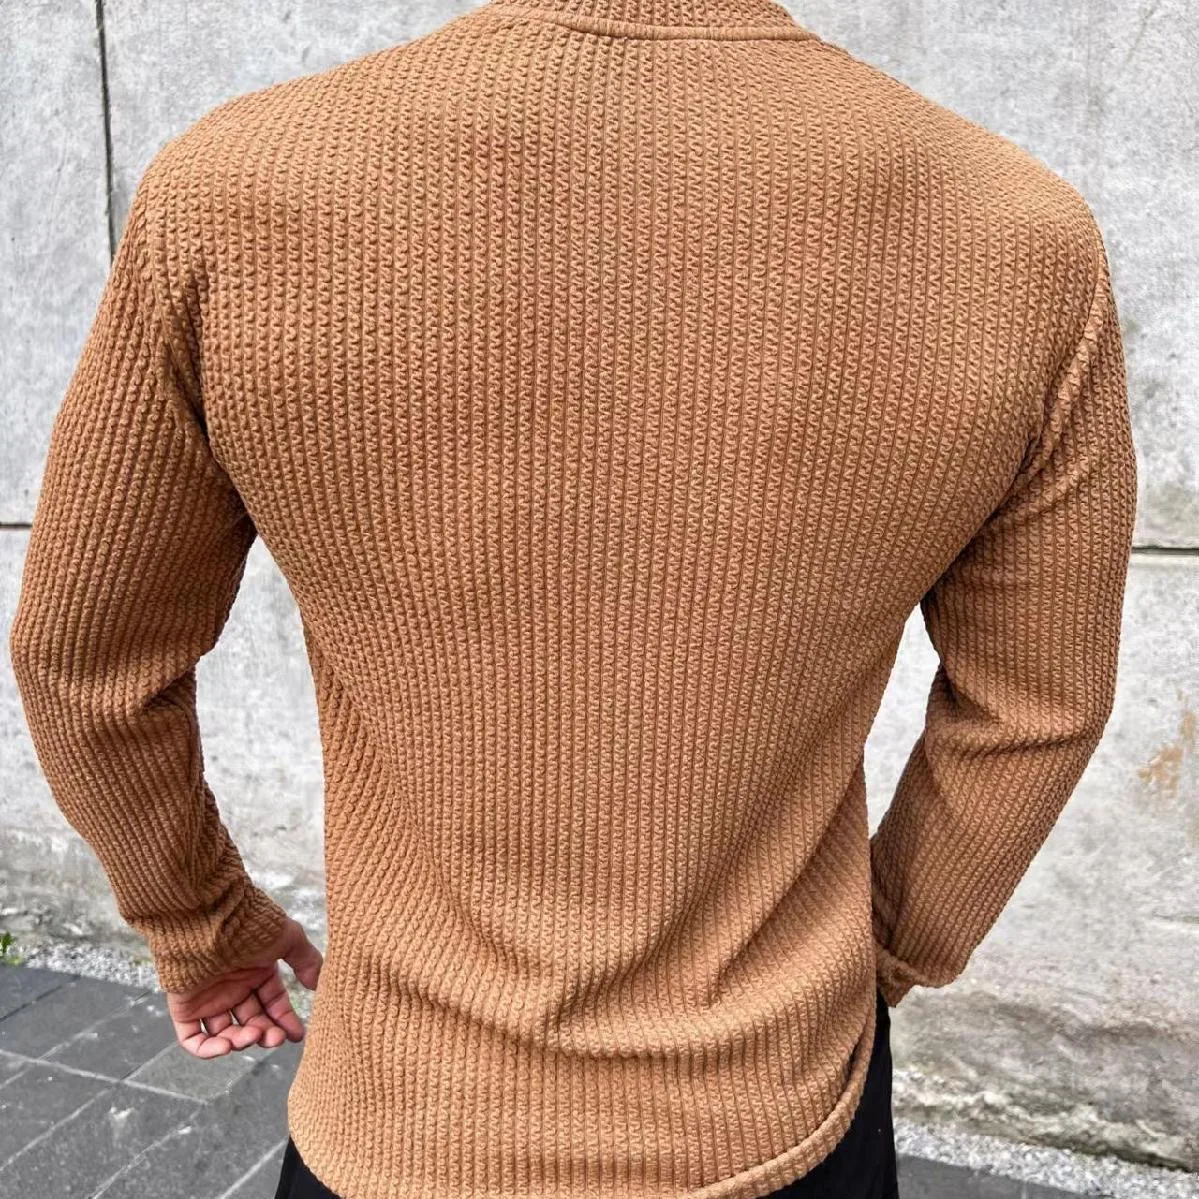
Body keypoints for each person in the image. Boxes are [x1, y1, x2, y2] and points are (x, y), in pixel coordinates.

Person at [8, 0, 1137, 1196]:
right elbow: (1035, 706)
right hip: (774, 1102)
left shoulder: (234, 192)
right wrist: (879, 947)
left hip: (404, 1109)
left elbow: (86, 663)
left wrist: (204, 925)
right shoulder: (1015, 234)